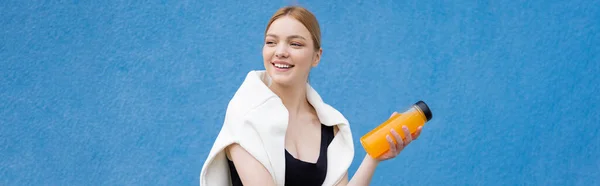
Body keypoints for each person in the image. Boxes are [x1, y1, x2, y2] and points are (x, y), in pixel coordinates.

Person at [200, 5, 423, 186]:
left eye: (295, 43)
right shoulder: (245, 114)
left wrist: (374, 157)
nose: (280, 51)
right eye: (271, 42)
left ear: (317, 57)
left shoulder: (331, 126)